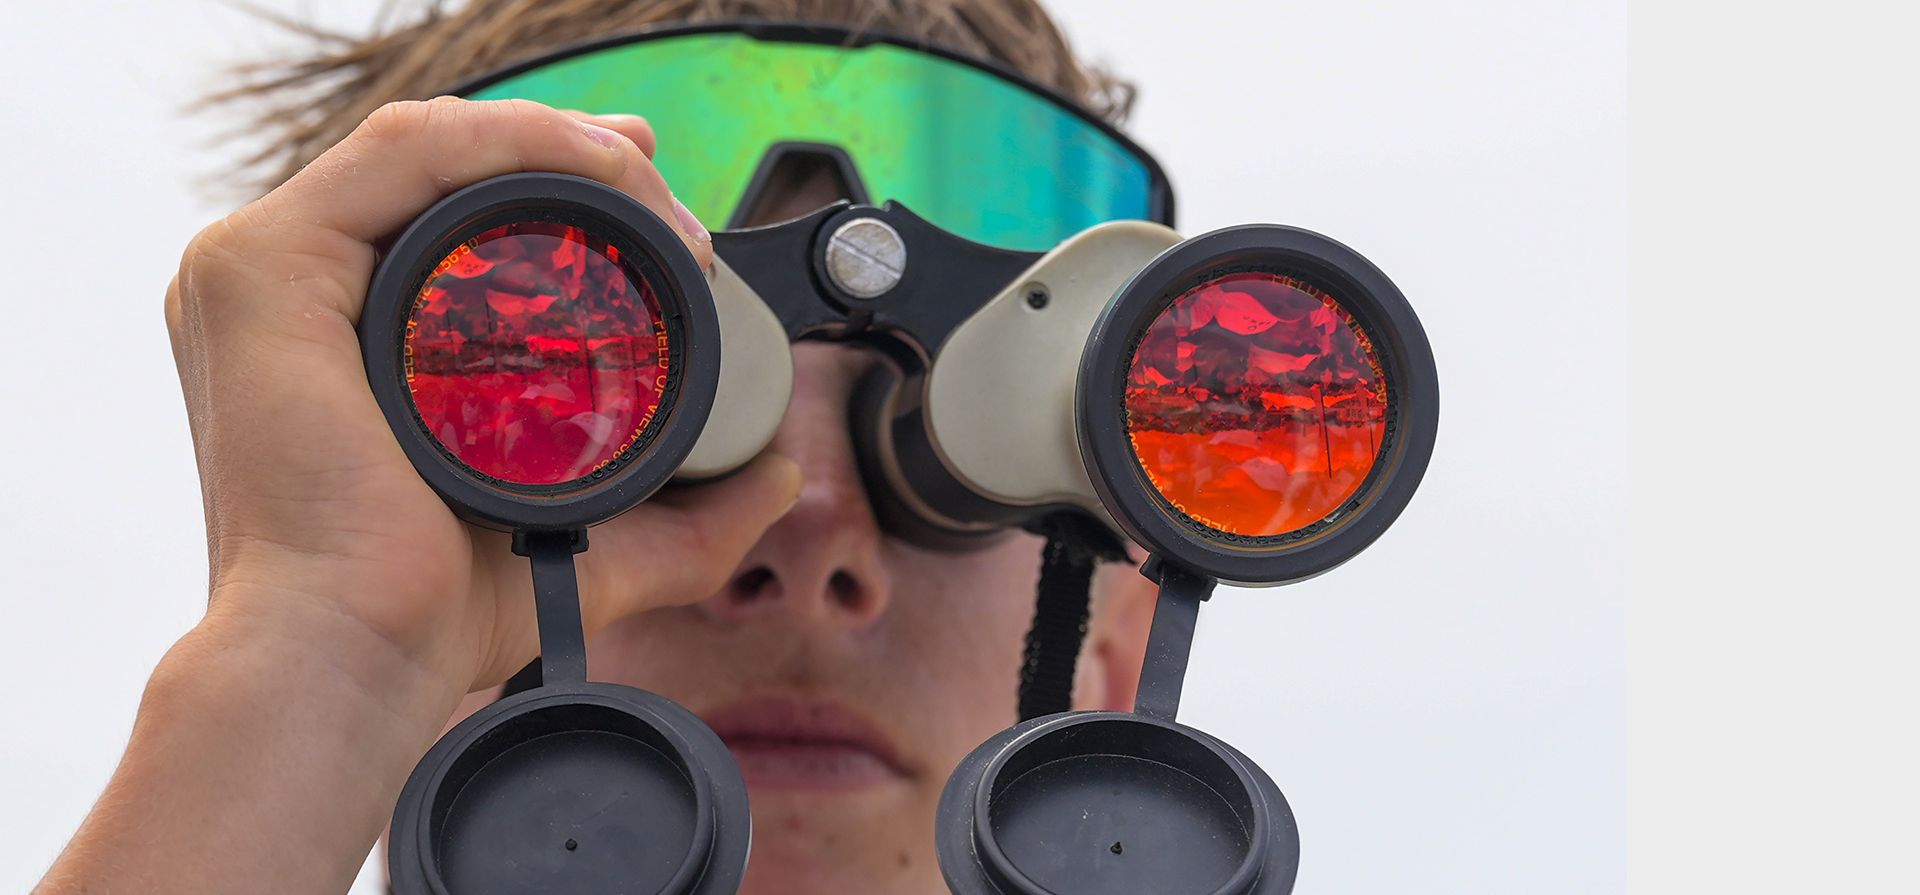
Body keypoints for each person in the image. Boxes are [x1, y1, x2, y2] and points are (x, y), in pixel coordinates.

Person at [34, 2, 1163, 893]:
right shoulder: (337, 651)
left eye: (948, 462)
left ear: (1122, 640)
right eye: (609, 414)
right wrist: (318, 663)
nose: (809, 525)